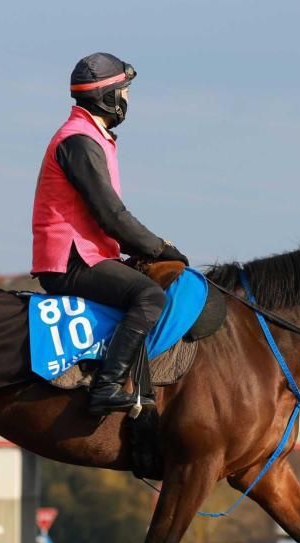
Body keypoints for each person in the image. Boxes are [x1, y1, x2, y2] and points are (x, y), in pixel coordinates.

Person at [31, 52, 188, 415]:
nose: (128, 99)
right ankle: (108, 386)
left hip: (85, 255)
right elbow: (111, 216)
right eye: (125, 91)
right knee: (149, 296)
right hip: (70, 261)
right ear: (109, 96)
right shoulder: (79, 141)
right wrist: (161, 247)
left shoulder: (91, 135)